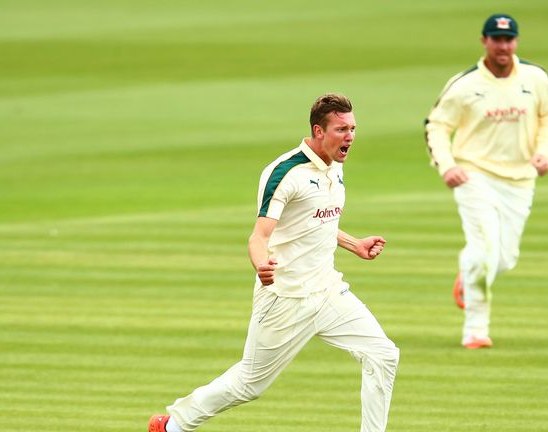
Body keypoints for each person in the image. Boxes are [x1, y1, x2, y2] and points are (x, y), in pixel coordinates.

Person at [149, 93, 399, 432]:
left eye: (353, 128)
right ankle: (173, 424)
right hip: (285, 296)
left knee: (383, 355)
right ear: (319, 130)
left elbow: (317, 220)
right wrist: (260, 264)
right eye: (342, 129)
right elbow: (258, 235)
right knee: (250, 384)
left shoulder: (335, 166)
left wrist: (354, 244)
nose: (350, 137)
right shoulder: (286, 172)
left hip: (327, 291)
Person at [424, 14, 548, 349]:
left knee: (503, 259)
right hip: (475, 173)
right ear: (484, 41)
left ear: (515, 42)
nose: (503, 46)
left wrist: (545, 152)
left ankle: (468, 269)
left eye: (509, 39)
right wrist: (446, 166)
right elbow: (436, 125)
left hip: (520, 178)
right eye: (496, 39)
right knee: (486, 251)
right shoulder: (465, 84)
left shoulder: (535, 77)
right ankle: (475, 329)